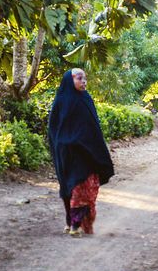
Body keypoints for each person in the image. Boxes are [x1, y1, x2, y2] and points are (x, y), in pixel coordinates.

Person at [48, 68, 114, 237]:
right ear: (70, 81)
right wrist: (63, 143)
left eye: (85, 78)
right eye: (79, 78)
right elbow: (54, 129)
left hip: (86, 153)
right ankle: (70, 221)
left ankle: (76, 225)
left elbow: (93, 128)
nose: (84, 81)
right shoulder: (62, 101)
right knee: (69, 188)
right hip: (67, 153)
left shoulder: (86, 100)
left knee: (82, 188)